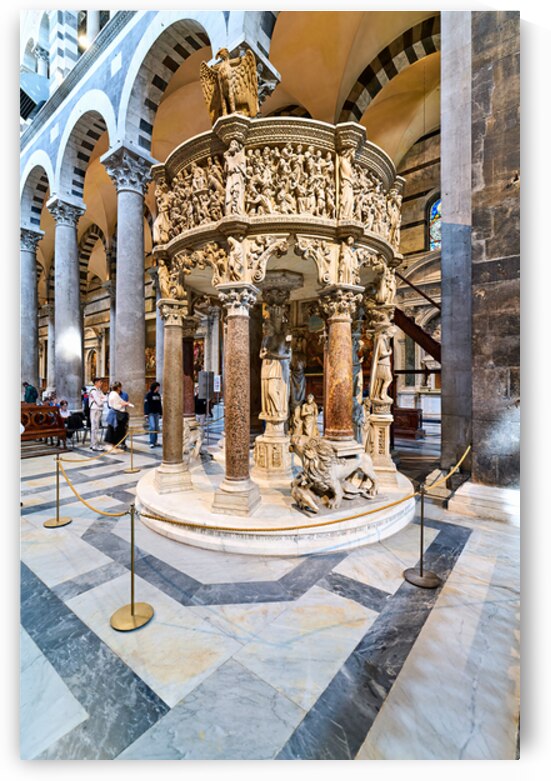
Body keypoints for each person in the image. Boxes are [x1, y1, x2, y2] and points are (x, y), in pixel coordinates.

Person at [105, 382, 133, 453]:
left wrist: (124, 403)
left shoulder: (112, 394)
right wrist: (125, 403)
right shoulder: (114, 394)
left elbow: (120, 402)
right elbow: (117, 406)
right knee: (115, 431)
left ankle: (116, 445)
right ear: (118, 388)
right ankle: (114, 446)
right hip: (116, 414)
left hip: (115, 414)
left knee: (116, 431)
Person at [89, 377, 107, 451]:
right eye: (100, 382)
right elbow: (99, 402)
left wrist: (102, 399)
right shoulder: (93, 391)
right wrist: (102, 400)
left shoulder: (99, 390)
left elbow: (105, 398)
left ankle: (93, 443)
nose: (101, 383)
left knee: (96, 427)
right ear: (96, 383)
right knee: (94, 427)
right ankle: (94, 445)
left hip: (98, 410)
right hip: (94, 410)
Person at [144, 382, 162, 448]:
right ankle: (151, 442)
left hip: (156, 413)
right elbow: (146, 404)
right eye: (158, 387)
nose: (158, 388)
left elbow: (159, 404)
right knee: (152, 427)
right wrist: (146, 413)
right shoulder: (148, 395)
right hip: (150, 413)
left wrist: (160, 413)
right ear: (155, 387)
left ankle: (155, 441)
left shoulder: (158, 395)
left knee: (156, 427)